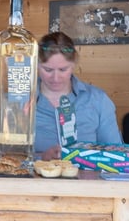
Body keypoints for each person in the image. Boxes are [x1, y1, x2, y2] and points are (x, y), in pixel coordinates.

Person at [35, 31, 122, 160]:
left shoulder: (97, 100)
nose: (56, 78)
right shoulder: (20, 100)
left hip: (89, 178)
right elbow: (7, 156)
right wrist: (41, 157)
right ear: (36, 63)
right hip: (35, 179)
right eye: (48, 70)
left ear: (74, 64)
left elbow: (117, 155)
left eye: (63, 70)